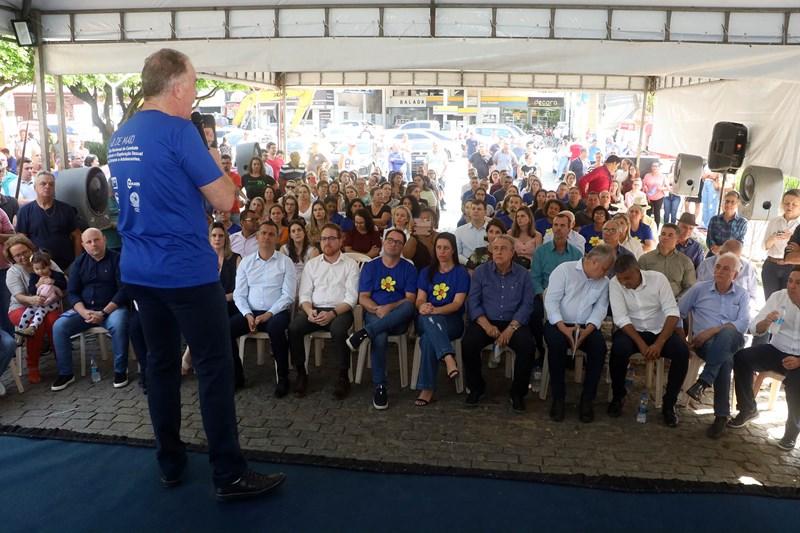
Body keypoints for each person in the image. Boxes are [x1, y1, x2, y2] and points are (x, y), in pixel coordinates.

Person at [108, 48, 284, 500]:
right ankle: (228, 473)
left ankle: (170, 462)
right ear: (178, 87)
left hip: (139, 271)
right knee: (213, 367)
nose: (194, 95)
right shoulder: (180, 132)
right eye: (193, 85)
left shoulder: (121, 135)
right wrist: (210, 148)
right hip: (185, 271)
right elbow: (227, 200)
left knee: (160, 365)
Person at [608, 255, 689, 427]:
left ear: (638, 271)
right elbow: (621, 318)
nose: (624, 283)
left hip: (659, 330)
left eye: (628, 278)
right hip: (631, 330)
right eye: (621, 279)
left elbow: (672, 313)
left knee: (681, 351)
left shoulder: (658, 279)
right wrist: (642, 345)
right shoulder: (615, 283)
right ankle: (618, 396)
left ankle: (669, 404)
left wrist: (659, 343)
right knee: (619, 349)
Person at [678, 253, 749, 439]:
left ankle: (704, 381)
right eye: (718, 266)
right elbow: (677, 312)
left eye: (726, 268)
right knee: (724, 361)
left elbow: (743, 323)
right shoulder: (699, 289)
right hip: (704, 344)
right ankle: (721, 415)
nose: (719, 271)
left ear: (735, 274)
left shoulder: (741, 294)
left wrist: (713, 330)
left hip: (733, 341)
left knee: (727, 333)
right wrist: (682, 339)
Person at [729, 267, 800, 450]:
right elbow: (756, 329)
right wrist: (766, 321)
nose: (792, 286)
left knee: (796, 383)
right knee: (742, 358)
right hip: (777, 348)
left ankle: (792, 432)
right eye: (790, 281)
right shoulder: (778, 297)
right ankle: (748, 409)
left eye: (798, 283)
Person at [461, 234, 535, 411]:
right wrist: (486, 325)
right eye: (495, 248)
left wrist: (511, 328)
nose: (499, 252)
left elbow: (527, 304)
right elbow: (473, 301)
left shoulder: (523, 274)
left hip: (513, 322)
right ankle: (477, 387)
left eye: (503, 248)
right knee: (469, 343)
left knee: (527, 346)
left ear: (512, 252)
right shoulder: (480, 272)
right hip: (485, 320)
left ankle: (517, 393)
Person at [50, 228, 130, 390]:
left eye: (97, 240)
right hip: (85, 311)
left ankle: (121, 370)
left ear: (104, 240)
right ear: (83, 245)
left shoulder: (118, 259)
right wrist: (84, 312)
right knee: (59, 327)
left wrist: (104, 312)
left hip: (112, 309)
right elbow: (72, 292)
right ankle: (66, 373)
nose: (93, 244)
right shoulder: (79, 263)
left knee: (119, 324)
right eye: (89, 241)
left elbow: (124, 290)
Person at [346, 229, 417, 410]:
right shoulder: (371, 266)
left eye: (398, 242)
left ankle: (363, 333)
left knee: (408, 307)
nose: (393, 244)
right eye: (390, 240)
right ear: (384, 242)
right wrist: (378, 309)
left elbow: (410, 299)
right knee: (380, 335)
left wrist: (390, 308)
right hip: (374, 313)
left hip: (398, 316)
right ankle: (380, 386)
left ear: (402, 247)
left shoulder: (408, 268)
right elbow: (363, 297)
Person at [544, 245, 615, 423]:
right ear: (592, 261)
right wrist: (563, 327)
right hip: (559, 323)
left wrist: (587, 330)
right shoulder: (565, 270)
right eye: (604, 268)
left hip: (586, 326)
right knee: (557, 346)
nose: (605, 273)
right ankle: (558, 398)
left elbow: (600, 309)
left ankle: (587, 399)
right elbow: (551, 302)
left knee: (599, 349)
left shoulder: (604, 282)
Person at [288, 224, 359, 400]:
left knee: (339, 330)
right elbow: (304, 295)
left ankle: (343, 376)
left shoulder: (350, 265)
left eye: (332, 238)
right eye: (324, 238)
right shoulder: (312, 265)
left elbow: (351, 298)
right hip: (314, 309)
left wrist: (332, 314)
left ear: (340, 240)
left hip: (340, 310)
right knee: (294, 328)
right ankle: (301, 373)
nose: (327, 242)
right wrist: (309, 311)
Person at [230, 221, 296, 394]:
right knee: (226, 331)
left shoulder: (285, 262)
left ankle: (283, 378)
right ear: (257, 237)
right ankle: (237, 377)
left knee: (276, 330)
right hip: (250, 313)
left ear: (276, 238)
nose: (266, 237)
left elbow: (288, 295)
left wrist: (268, 314)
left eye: (271, 234)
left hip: (276, 312)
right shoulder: (246, 262)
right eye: (263, 233)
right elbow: (239, 294)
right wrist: (247, 314)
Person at [413, 233, 469, 406]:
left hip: (451, 319)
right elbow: (420, 298)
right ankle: (448, 356)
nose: (442, 252)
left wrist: (436, 310)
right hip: (427, 318)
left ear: (453, 250)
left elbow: (457, 303)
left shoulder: (461, 273)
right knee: (428, 321)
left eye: (446, 248)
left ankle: (427, 389)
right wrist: (421, 306)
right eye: (438, 247)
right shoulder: (426, 272)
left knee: (429, 338)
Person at [5, 235, 62, 384]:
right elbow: (19, 296)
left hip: (48, 304)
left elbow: (64, 281)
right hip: (21, 307)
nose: (22, 257)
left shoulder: (44, 261)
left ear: (31, 249)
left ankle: (62, 359)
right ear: (12, 258)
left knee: (54, 322)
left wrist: (54, 284)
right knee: (35, 324)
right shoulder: (13, 272)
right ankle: (32, 366)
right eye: (17, 255)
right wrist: (33, 299)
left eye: (24, 252)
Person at [530, 212, 583, 362]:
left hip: (569, 298)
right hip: (544, 295)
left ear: (570, 228)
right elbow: (535, 278)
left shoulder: (576, 254)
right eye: (555, 225)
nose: (558, 229)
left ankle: (569, 351)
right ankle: (542, 350)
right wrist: (543, 296)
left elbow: (580, 281)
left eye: (562, 226)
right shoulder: (541, 251)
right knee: (534, 313)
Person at [16, 171, 81, 271]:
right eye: (43, 183)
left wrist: (78, 260)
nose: (47, 186)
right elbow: (22, 240)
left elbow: (77, 236)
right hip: (39, 267)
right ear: (35, 187)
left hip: (67, 265)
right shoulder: (25, 211)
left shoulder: (66, 209)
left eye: (51, 184)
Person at [14, 250, 66, 342]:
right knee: (27, 312)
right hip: (38, 301)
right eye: (37, 269)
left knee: (40, 311)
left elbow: (64, 285)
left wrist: (54, 282)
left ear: (49, 265)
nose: (40, 271)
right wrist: (37, 284)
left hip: (52, 302)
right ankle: (21, 332)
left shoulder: (57, 275)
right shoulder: (34, 277)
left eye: (43, 268)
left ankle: (32, 328)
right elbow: (31, 291)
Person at [638, 223, 696, 298]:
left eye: (670, 235)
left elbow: (690, 287)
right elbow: (638, 284)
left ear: (677, 240)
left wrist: (677, 302)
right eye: (663, 234)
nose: (665, 237)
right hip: (649, 303)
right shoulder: (645, 259)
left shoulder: (685, 262)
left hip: (676, 304)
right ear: (659, 237)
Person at [761, 190, 800, 299]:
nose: (789, 206)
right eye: (786, 203)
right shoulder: (774, 221)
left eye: (794, 204)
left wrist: (792, 237)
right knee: (770, 301)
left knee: (789, 301)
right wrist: (773, 238)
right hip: (771, 265)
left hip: (792, 268)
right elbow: (765, 246)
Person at [696, 239, 758, 305]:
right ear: (720, 253)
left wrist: (742, 305)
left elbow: (753, 297)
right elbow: (696, 290)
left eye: (734, 258)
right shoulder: (706, 265)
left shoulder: (748, 270)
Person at [706, 191, 748, 256]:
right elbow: (709, 239)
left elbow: (739, 244)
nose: (728, 204)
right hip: (713, 256)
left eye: (732, 202)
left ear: (738, 204)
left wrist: (721, 248)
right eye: (727, 201)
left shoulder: (742, 223)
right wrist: (715, 249)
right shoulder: (714, 220)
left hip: (731, 258)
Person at [455, 200, 488, 265]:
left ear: (485, 212)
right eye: (473, 208)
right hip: (466, 267)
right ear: (470, 212)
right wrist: (467, 263)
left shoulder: (492, 230)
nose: (476, 211)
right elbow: (457, 253)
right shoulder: (460, 231)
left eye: (479, 209)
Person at [642, 161, 667, 227]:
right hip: (649, 197)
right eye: (653, 166)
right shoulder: (647, 175)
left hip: (659, 197)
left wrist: (661, 188)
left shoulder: (662, 176)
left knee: (657, 213)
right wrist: (645, 187)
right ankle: (647, 228)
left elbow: (668, 187)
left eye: (656, 166)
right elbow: (643, 184)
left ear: (659, 167)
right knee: (648, 213)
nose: (654, 167)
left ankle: (656, 228)